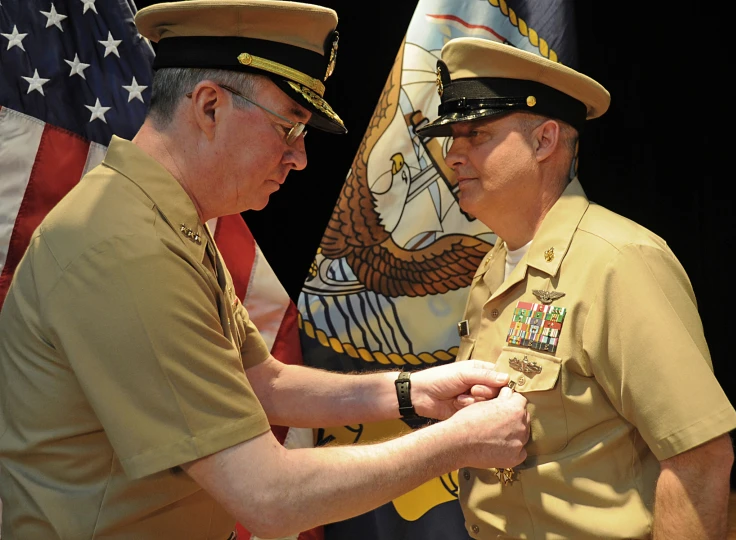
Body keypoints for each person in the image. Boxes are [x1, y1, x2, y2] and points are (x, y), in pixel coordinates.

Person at [0, 3, 532, 539]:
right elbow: (268, 497)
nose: (299, 159)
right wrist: (460, 440)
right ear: (209, 107)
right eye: (289, 128)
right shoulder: (126, 248)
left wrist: (409, 392)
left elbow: (261, 381)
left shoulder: (158, 221)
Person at [415, 37, 736, 539]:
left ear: (545, 141)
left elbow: (699, 455)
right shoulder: (494, 266)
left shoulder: (619, 261)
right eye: (451, 136)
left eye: (475, 133)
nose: (453, 154)